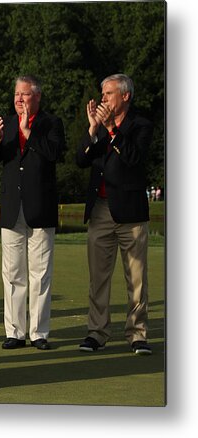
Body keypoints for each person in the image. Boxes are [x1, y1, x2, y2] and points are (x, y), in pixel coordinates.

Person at [0, 75, 66, 351]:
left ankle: (39, 332)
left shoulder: (51, 124)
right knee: (12, 273)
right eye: (17, 94)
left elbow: (55, 153)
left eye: (25, 94)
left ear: (37, 97)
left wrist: (28, 132)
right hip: (11, 209)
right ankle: (15, 332)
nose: (19, 99)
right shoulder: (5, 124)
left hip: (40, 208)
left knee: (40, 274)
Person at [76, 73, 154, 355]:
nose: (103, 98)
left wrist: (111, 129)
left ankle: (137, 334)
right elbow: (81, 159)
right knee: (98, 277)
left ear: (125, 96)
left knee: (136, 278)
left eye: (108, 93)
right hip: (100, 210)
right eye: (102, 93)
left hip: (131, 213)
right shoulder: (99, 126)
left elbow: (133, 157)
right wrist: (93, 129)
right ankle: (96, 333)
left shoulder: (141, 125)